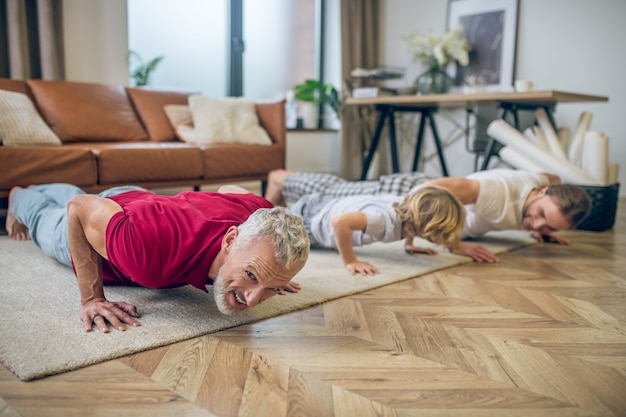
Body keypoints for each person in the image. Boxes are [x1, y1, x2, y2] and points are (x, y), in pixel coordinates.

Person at [6, 183, 310, 333]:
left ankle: (44, 187)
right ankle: (19, 194)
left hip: (137, 200)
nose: (254, 301)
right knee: (46, 216)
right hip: (105, 228)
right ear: (231, 240)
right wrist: (91, 299)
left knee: (86, 198)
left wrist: (272, 276)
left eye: (272, 289)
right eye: (252, 275)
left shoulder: (261, 216)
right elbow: (79, 208)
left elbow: (230, 190)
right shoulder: (150, 258)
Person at [266, 168, 592, 263]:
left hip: (422, 207)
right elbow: (429, 197)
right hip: (411, 192)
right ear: (540, 195)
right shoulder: (490, 191)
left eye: (546, 224)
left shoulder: (546, 186)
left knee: (336, 196)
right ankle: (283, 179)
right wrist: (455, 245)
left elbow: (554, 178)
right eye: (538, 215)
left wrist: (544, 228)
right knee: (338, 191)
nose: (535, 224)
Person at [290, 185, 465, 276]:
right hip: (309, 222)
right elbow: (339, 222)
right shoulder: (382, 221)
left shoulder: (407, 212)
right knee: (273, 231)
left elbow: (413, 221)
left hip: (324, 203)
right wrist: (351, 261)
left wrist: (409, 244)